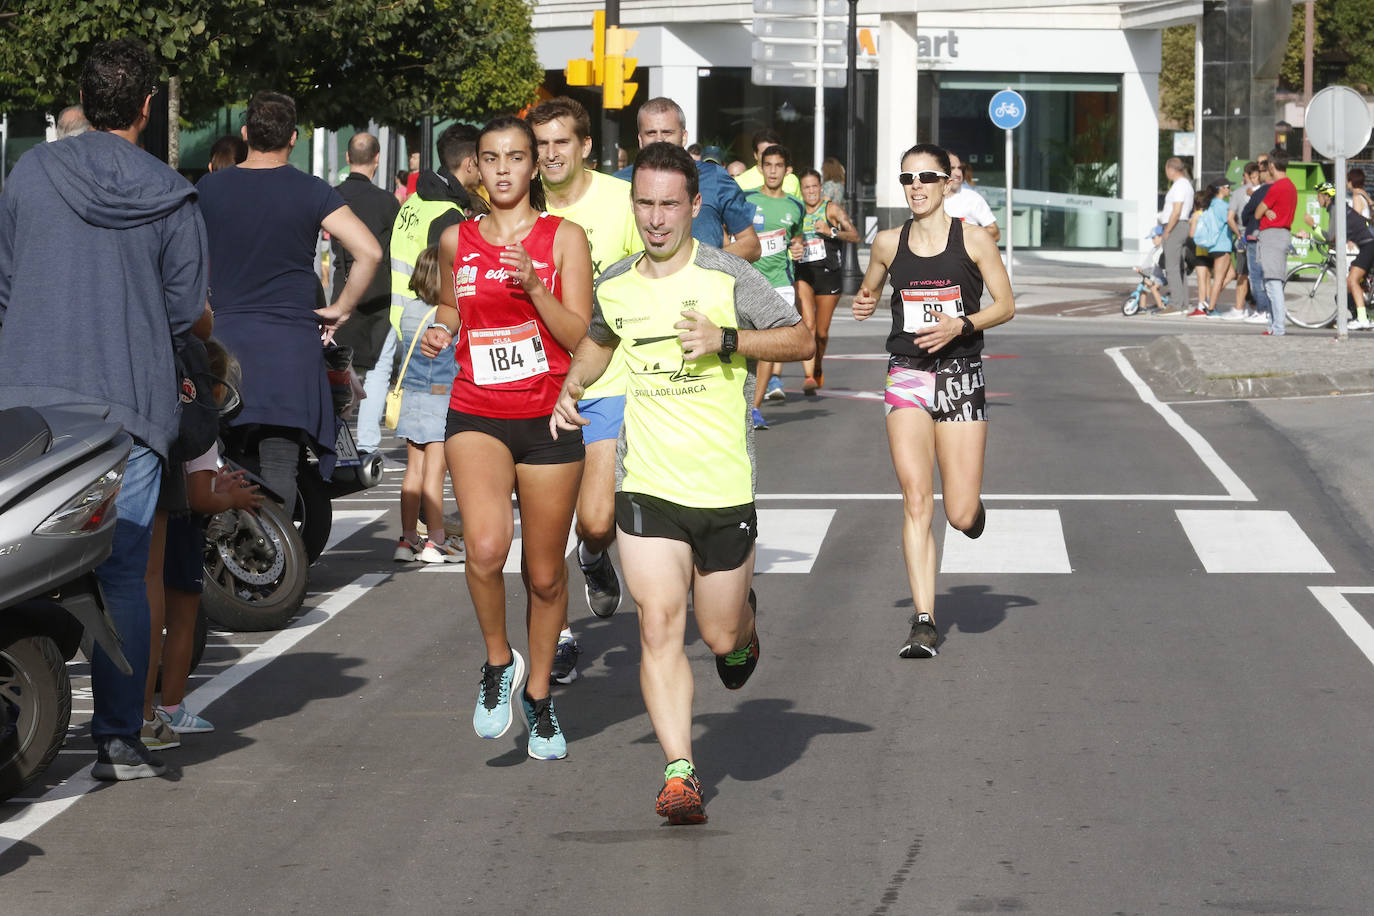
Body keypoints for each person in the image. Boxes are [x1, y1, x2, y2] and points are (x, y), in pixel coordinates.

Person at [550, 141, 813, 825]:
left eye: (670, 204)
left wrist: (727, 340)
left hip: (722, 485)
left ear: (695, 206)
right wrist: (572, 384)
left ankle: (745, 626)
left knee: (720, 638)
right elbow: (601, 339)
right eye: (645, 203)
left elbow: (800, 339)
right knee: (660, 624)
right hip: (649, 484)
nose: (657, 218)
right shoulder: (616, 282)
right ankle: (680, 772)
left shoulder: (728, 276)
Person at [0, 38, 207, 781]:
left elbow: (5, 281)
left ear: (82, 98)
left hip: (25, 408)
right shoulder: (170, 193)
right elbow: (184, 311)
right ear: (147, 107)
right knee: (122, 576)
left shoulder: (30, 171)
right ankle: (118, 738)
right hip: (129, 410)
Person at [416, 116, 593, 761]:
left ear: (534, 167)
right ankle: (499, 662)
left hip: (548, 418)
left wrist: (534, 287)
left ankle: (540, 698)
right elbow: (450, 308)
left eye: (516, 157)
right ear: (478, 169)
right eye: (490, 159)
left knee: (545, 576)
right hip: (478, 412)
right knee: (486, 550)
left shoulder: (563, 238)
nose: (502, 170)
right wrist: (441, 328)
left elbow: (580, 337)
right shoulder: (454, 239)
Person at [852, 143, 1014, 658]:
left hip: (962, 372)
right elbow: (871, 289)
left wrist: (961, 324)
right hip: (908, 374)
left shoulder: (973, 240)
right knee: (916, 497)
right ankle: (924, 619)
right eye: (907, 179)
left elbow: (1006, 305)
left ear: (948, 183)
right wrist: (864, 300)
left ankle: (971, 513)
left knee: (960, 514)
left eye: (926, 177)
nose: (916, 186)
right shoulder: (885, 243)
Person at [197, 91, 383, 513]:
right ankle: (277, 551)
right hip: (289, 346)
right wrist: (342, 307)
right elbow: (369, 251)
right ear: (294, 138)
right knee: (282, 457)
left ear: (246, 134)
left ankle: (229, 551)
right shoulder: (311, 190)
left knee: (225, 453)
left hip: (225, 345)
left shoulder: (210, 187)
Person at [530, 97, 644, 683]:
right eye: (541, 143)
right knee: (543, 525)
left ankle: (595, 557)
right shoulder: (518, 204)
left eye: (560, 143)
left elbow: (644, 277)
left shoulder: (618, 201)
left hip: (605, 377)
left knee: (596, 520)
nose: (549, 154)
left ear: (584, 148)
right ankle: (562, 634)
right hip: (533, 385)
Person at [142, 339, 263, 747]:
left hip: (155, 518)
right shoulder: (201, 429)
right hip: (181, 527)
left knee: (148, 618)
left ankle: (143, 708)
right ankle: (171, 708)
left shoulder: (161, 414)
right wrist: (234, 499)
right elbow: (199, 497)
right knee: (180, 625)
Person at [388, 123, 480, 565]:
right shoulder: (449, 217)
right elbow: (450, 283)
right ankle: (435, 535)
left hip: (406, 324)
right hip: (435, 336)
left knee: (414, 465)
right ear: (469, 163)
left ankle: (409, 536)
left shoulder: (414, 202)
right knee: (437, 462)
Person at [613, 97, 761, 262]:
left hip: (702, 286)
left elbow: (751, 245)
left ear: (684, 137)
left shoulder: (714, 176)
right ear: (640, 140)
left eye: (667, 132)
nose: (659, 140)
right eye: (651, 133)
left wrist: (707, 267)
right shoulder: (617, 183)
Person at [392, 246, 465, 564]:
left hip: (412, 396)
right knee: (436, 474)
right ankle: (436, 540)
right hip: (440, 397)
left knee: (414, 473)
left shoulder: (408, 310)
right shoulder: (446, 317)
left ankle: (408, 539)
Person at [331, 133, 402, 457]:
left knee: (338, 367)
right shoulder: (387, 202)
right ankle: (369, 442)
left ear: (347, 158)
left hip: (341, 294)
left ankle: (336, 436)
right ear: (377, 158)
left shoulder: (334, 195)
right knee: (377, 371)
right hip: (380, 296)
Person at [745, 144, 806, 428]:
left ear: (786, 169)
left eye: (778, 165)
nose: (772, 171)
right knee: (745, 347)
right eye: (767, 165)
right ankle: (741, 404)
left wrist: (798, 247)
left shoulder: (795, 205)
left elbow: (796, 237)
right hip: (747, 280)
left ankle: (755, 408)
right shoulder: (746, 200)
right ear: (760, 166)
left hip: (780, 282)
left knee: (768, 346)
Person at [795, 168, 858, 393]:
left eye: (814, 186)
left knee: (821, 333)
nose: (811, 191)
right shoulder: (797, 210)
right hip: (803, 273)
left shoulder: (831, 209)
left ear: (820, 187)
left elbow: (855, 235)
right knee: (808, 324)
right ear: (801, 190)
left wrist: (831, 231)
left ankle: (818, 365)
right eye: (806, 187)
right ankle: (809, 376)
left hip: (828, 274)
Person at [1302, 180, 1374, 329]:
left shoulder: (1336, 209)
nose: (1317, 199)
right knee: (1346, 290)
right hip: (1366, 245)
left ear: (1327, 197)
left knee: (1352, 280)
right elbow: (1335, 238)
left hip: (1368, 245)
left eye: (1319, 195)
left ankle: (1362, 320)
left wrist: (1313, 226)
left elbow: (1329, 237)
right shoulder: (1336, 209)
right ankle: (1361, 318)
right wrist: (1309, 236)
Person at [1252, 148, 1296, 336]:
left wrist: (1265, 211)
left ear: (1271, 165)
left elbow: (1257, 212)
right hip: (1283, 234)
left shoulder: (1277, 187)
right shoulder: (1291, 186)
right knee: (1272, 281)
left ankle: (1278, 326)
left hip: (1272, 237)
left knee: (1273, 283)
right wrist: (1267, 210)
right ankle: (1273, 325)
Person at [1186, 179, 1234, 316]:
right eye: (1228, 187)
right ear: (1221, 189)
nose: (1230, 189)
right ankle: (1211, 308)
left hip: (1215, 245)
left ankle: (1209, 300)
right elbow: (1230, 220)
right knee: (1217, 279)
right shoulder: (1220, 205)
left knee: (1231, 274)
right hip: (1221, 244)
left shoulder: (1211, 204)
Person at [1222, 161, 1261, 321]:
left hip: (1244, 236)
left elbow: (1230, 218)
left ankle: (1239, 308)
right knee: (1260, 275)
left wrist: (1238, 233)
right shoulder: (1266, 190)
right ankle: (1261, 308)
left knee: (1243, 274)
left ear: (1246, 175)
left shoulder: (1238, 193)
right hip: (1261, 236)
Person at [1239, 153, 1273, 325]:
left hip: (1255, 235)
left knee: (1256, 275)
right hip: (1271, 236)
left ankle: (1263, 310)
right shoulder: (1282, 188)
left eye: (1262, 167)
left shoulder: (1262, 191)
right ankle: (1269, 309)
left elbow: (1246, 214)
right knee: (1268, 275)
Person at [1159, 157, 1195, 314]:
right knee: (1179, 266)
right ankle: (1183, 302)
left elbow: (1177, 210)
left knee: (1171, 266)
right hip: (1181, 225)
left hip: (1175, 225)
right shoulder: (1186, 184)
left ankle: (1175, 304)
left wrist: (1167, 230)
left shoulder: (1180, 185)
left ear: (1171, 169)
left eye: (1166, 169)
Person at [943, 153, 1000, 243]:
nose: (958, 173)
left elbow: (995, 233)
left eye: (960, 168)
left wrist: (965, 241)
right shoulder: (928, 199)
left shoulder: (972, 198)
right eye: (952, 168)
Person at [734, 127, 802, 197]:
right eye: (764, 153)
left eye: (774, 152)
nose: (770, 157)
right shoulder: (741, 182)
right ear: (755, 155)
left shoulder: (792, 180)